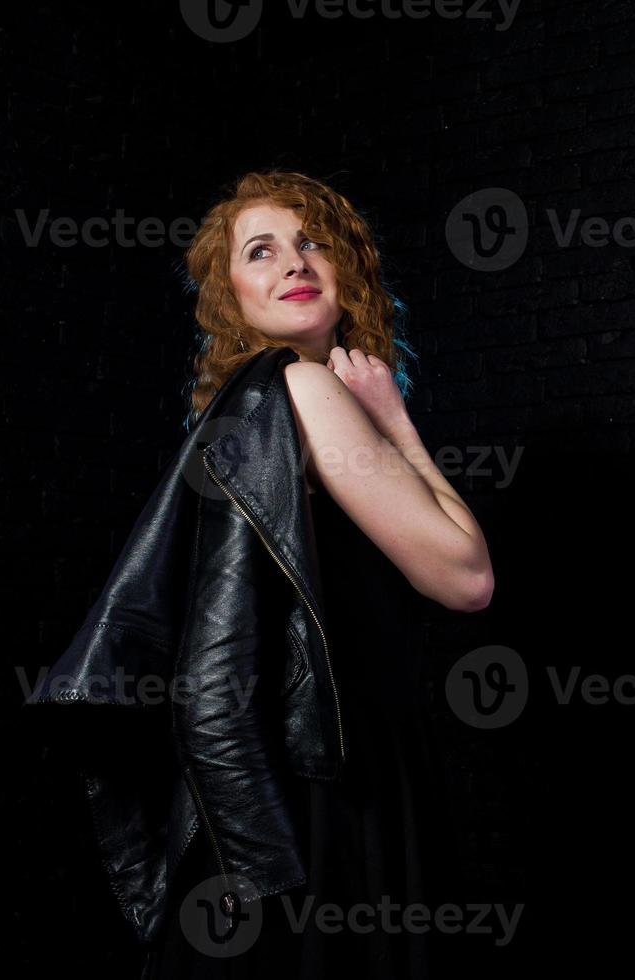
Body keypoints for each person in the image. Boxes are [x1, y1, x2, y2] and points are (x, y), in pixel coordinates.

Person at [139, 169, 495, 977]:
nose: (294, 263)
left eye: (314, 242)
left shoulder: (233, 408)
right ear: (230, 293)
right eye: (260, 251)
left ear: (346, 269)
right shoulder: (300, 387)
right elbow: (465, 578)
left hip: (279, 767)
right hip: (336, 770)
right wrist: (398, 425)